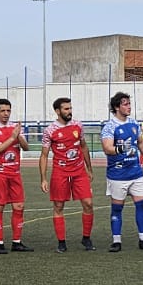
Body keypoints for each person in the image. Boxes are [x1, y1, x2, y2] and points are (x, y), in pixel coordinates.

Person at [100, 92, 143, 251]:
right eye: (125, 104)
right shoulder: (109, 126)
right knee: (117, 208)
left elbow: (140, 142)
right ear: (116, 107)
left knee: (142, 205)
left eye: (129, 104)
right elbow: (107, 148)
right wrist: (120, 148)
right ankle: (116, 241)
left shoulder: (134, 123)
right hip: (117, 175)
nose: (129, 107)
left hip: (136, 173)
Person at [39, 97, 95, 251]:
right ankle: (61, 242)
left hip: (79, 171)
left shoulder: (78, 125)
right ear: (57, 111)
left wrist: (89, 168)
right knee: (58, 205)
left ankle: (86, 238)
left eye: (70, 108)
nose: (69, 111)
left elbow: (83, 147)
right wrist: (43, 178)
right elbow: (44, 155)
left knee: (88, 203)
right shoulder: (50, 130)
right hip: (60, 172)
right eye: (66, 109)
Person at [0, 98, 32, 254]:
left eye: (8, 111)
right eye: (3, 111)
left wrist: (18, 136)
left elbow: (26, 147)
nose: (6, 114)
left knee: (19, 206)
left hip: (15, 173)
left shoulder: (16, 128)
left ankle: (16, 242)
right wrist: (12, 137)